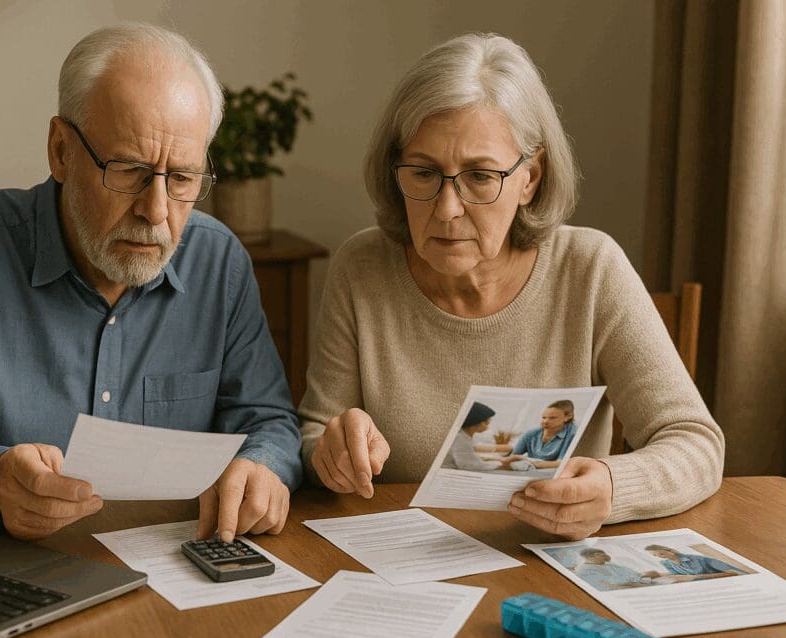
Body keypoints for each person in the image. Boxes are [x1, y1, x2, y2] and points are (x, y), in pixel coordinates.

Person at [0, 24, 301, 543]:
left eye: (182, 179)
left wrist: (264, 465)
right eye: (128, 170)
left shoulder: (220, 262)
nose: (156, 211)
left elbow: (269, 419)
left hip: (175, 575)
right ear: (60, 150)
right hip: (9, 575)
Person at [299, 32, 725, 540]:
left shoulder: (590, 270)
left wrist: (613, 486)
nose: (447, 208)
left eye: (480, 176)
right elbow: (313, 432)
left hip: (549, 563)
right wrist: (331, 452)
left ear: (530, 179)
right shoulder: (361, 267)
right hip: (401, 565)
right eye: (423, 172)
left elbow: (695, 442)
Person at [442, 401, 523, 471]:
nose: (488, 427)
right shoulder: (460, 439)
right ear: (476, 421)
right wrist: (502, 464)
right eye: (487, 423)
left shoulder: (463, 436)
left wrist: (502, 460)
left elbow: (471, 454)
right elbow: (471, 465)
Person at [506, 400, 578, 471]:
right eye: (544, 417)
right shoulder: (531, 434)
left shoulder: (573, 435)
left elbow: (562, 463)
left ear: (568, 416)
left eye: (552, 418)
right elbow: (512, 457)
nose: (545, 421)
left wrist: (533, 463)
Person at [641, 545, 745, 581]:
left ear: (670, 550)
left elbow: (733, 572)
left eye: (661, 554)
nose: (659, 557)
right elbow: (676, 574)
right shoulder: (666, 563)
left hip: (721, 574)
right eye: (655, 555)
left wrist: (690, 578)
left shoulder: (695, 558)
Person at [573, 548, 649, 591]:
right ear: (596, 555)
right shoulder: (585, 570)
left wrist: (643, 576)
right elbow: (607, 586)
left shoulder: (611, 565)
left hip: (640, 583)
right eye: (603, 554)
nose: (607, 556)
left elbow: (633, 574)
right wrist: (636, 583)